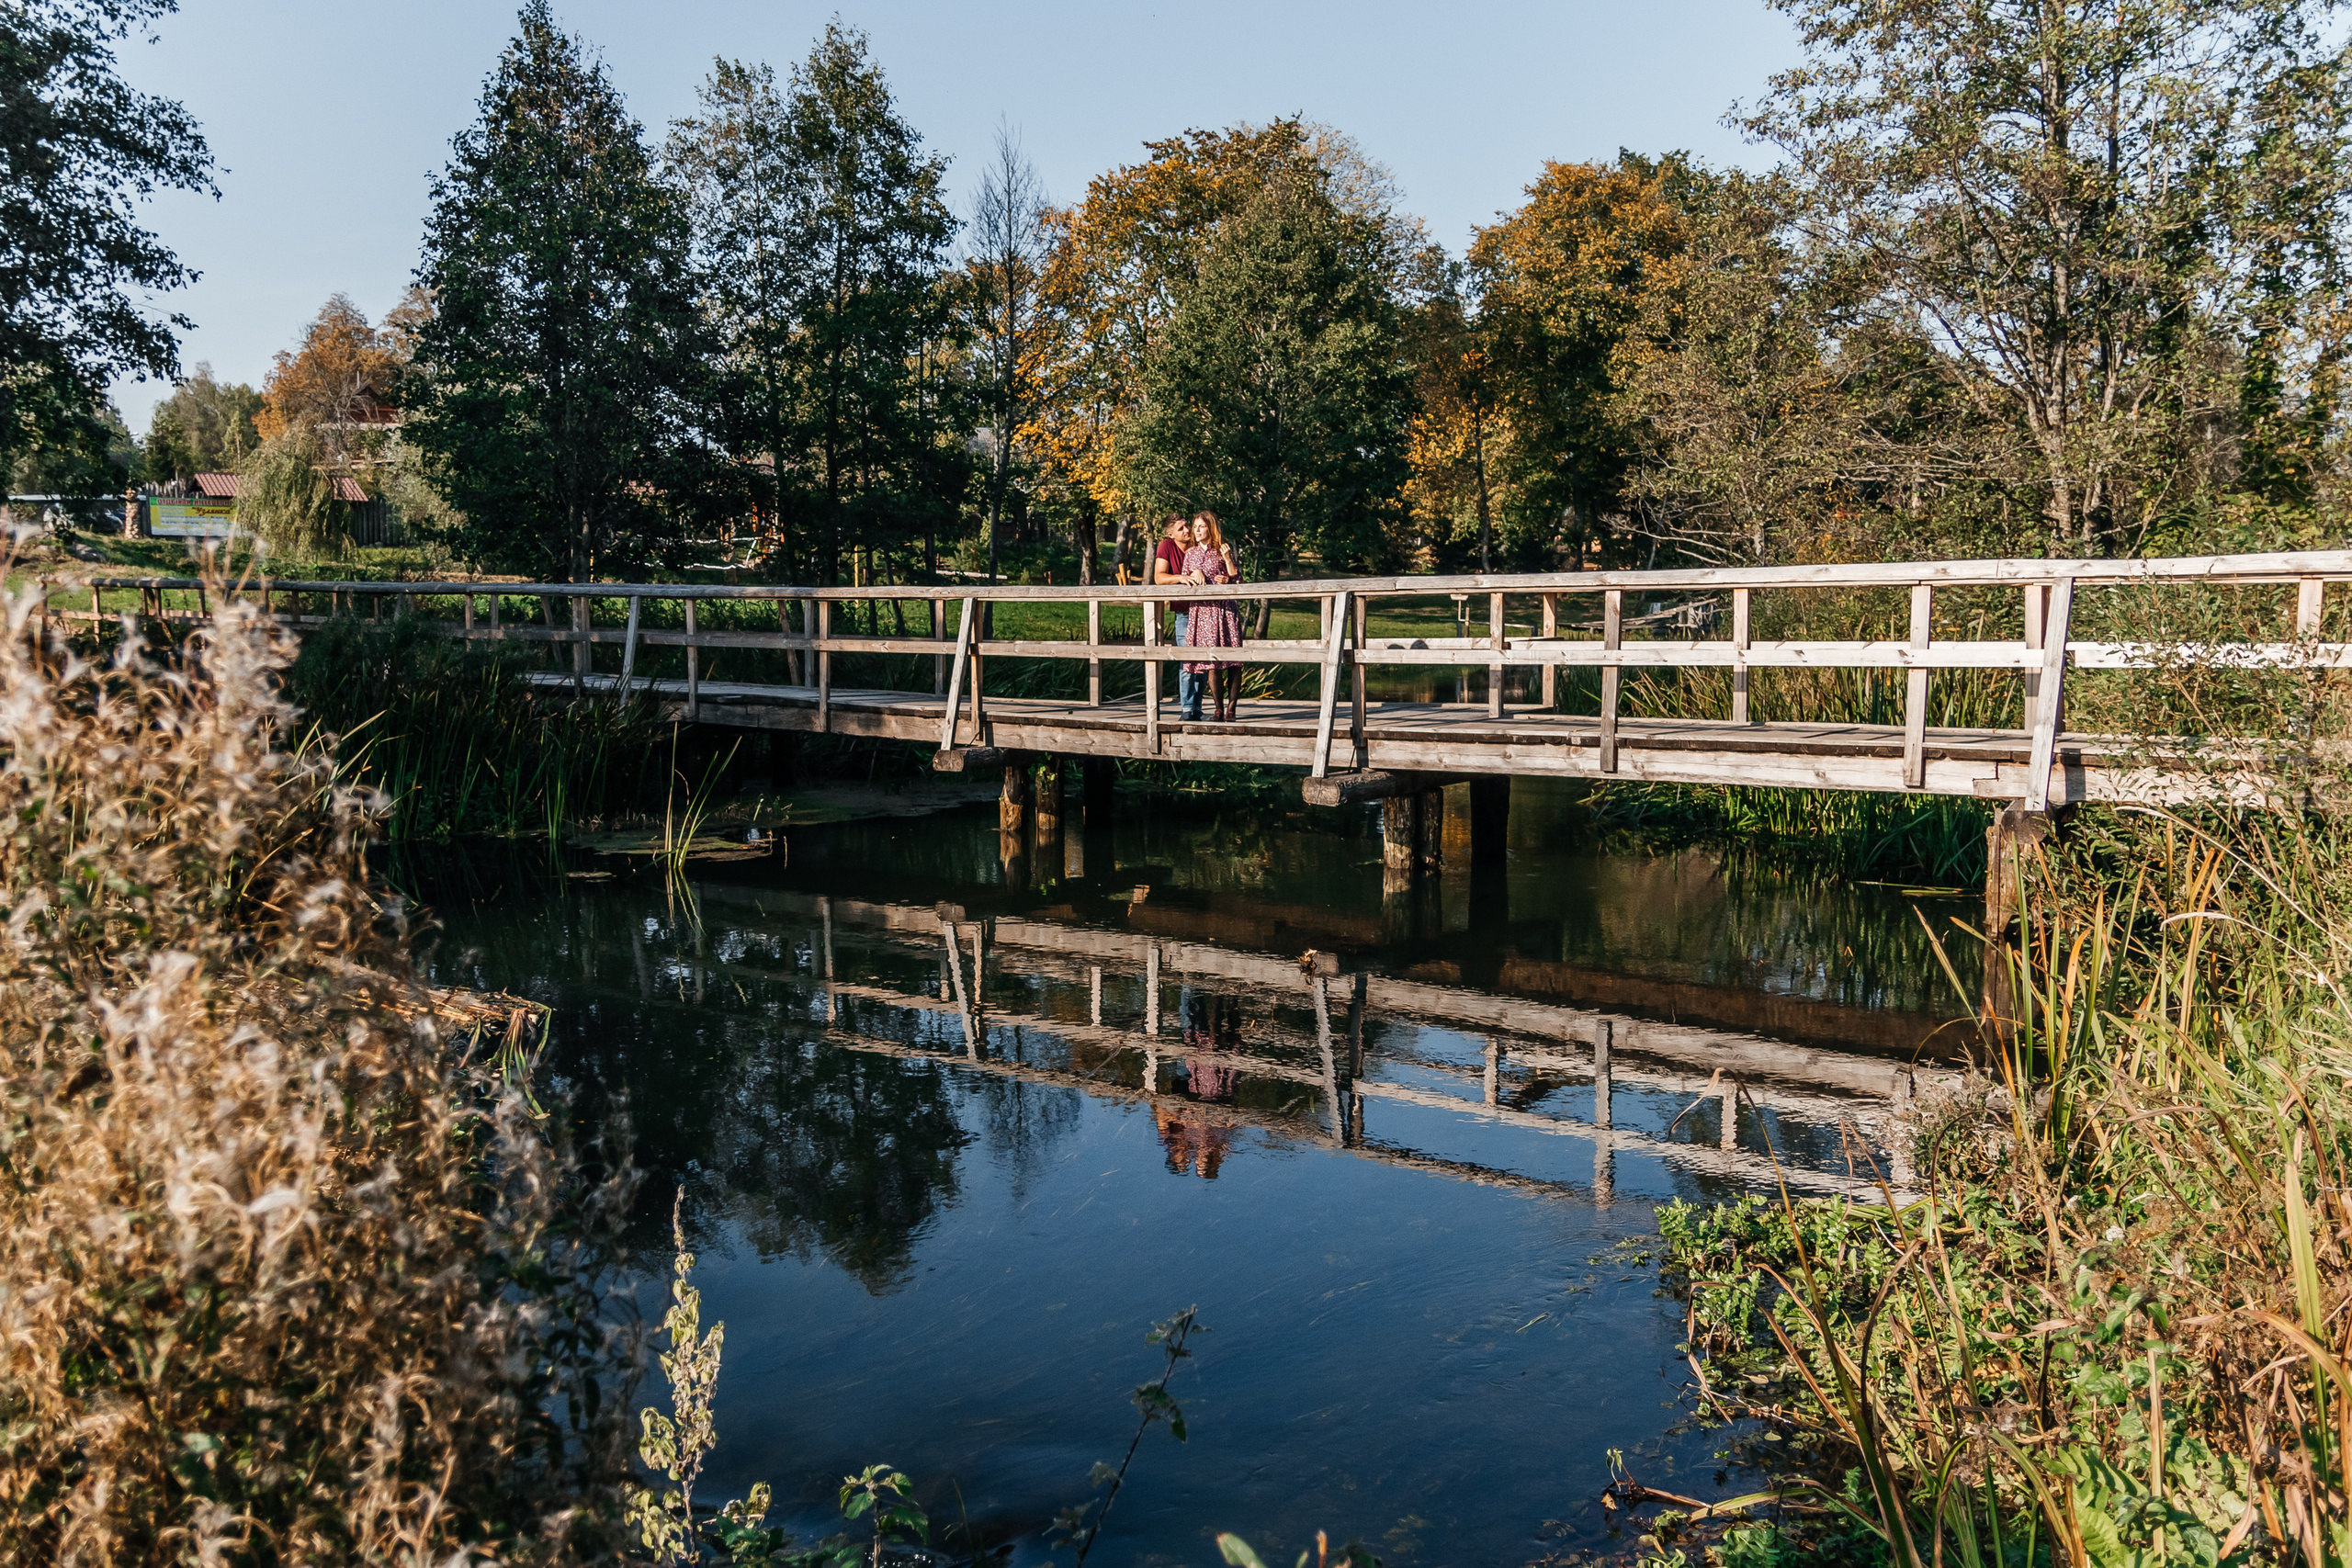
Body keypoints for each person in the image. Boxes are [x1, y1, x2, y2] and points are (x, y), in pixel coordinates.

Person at [1181, 512, 1242, 722]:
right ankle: (1218, 708)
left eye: (1201, 527)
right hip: (1204, 613)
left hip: (1225, 611)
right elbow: (1185, 579)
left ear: (1210, 528)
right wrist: (1192, 574)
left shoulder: (1222, 550)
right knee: (1212, 661)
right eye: (1195, 526)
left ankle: (1232, 708)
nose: (1196, 531)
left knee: (1233, 661)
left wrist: (1227, 568)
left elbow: (1237, 581)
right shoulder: (1191, 554)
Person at [1150, 514, 1201, 721]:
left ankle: (1197, 708)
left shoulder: (1198, 544)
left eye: (1187, 526)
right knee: (1187, 659)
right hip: (1184, 613)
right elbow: (1159, 577)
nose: (1187, 530)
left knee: (1203, 661)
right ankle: (1187, 708)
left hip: (1204, 611)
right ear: (1170, 534)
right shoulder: (1166, 546)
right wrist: (1180, 577)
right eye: (1181, 528)